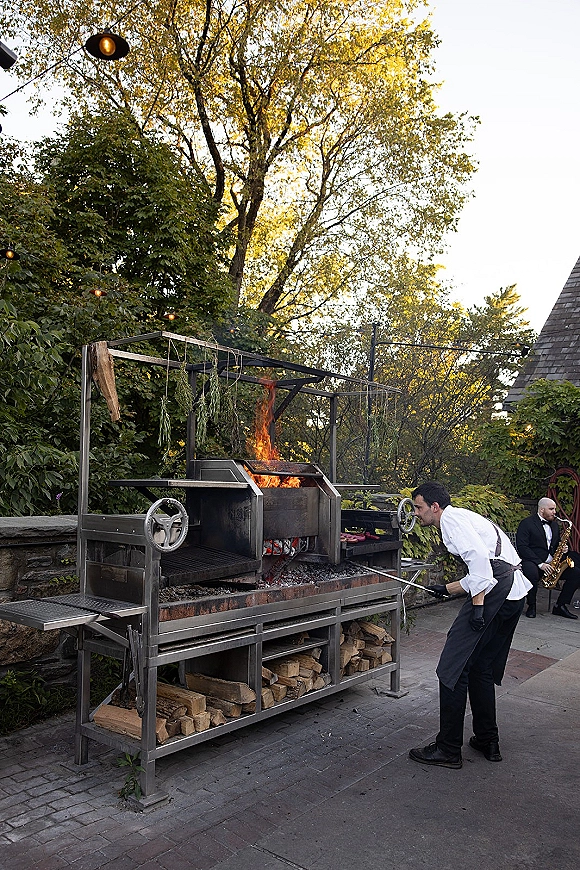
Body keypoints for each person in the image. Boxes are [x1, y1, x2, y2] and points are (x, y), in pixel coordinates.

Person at [408, 481, 531, 770]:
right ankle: (488, 740)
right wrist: (447, 588)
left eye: (418, 507)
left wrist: (477, 610)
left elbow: (482, 569)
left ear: (435, 507)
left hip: (496, 591)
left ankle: (448, 748)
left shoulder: (450, 521)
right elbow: (487, 564)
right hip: (514, 592)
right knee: (480, 667)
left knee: (452, 667)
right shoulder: (463, 517)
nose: (416, 514)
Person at [515, 497, 580, 620]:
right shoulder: (527, 523)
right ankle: (532, 606)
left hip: (552, 563)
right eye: (551, 509)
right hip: (534, 561)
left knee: (576, 572)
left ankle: (560, 605)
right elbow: (522, 547)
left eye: (554, 509)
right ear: (541, 509)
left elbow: (554, 545)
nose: (554, 512)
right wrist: (540, 564)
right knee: (531, 572)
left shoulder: (554, 526)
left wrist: (563, 549)